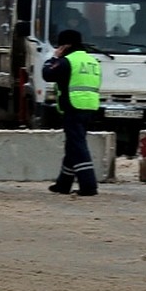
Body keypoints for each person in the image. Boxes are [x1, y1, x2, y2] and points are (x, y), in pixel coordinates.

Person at [42, 28, 101, 196]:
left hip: (73, 107)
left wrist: (53, 57)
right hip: (89, 107)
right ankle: (63, 183)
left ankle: (89, 185)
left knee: (78, 146)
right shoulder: (92, 61)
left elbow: (47, 74)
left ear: (65, 45)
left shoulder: (67, 61)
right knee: (73, 145)